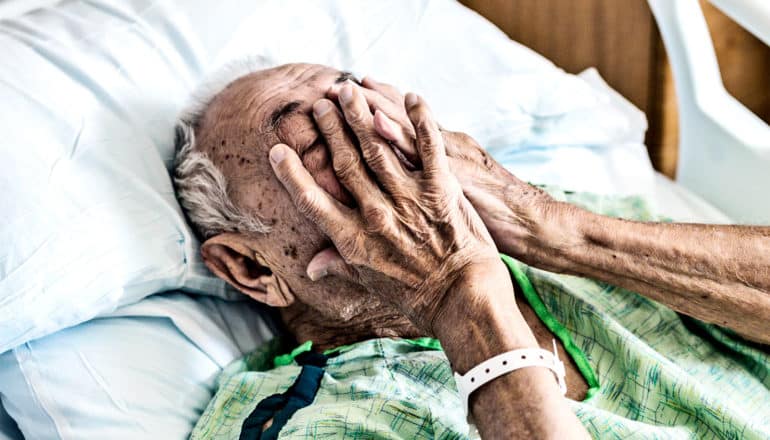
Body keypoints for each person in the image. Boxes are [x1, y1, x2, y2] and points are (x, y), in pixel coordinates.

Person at [174, 62, 770, 439]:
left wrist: (563, 233)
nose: (380, 139)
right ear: (253, 268)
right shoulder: (307, 420)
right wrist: (459, 296)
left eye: (364, 104)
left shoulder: (555, 227)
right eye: (322, 145)